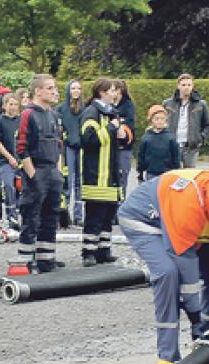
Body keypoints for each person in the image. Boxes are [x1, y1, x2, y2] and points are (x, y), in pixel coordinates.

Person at [119, 167, 209, 364]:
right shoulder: (189, 206)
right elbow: (187, 268)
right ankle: (167, 357)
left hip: (184, 222)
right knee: (168, 273)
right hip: (145, 220)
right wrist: (195, 316)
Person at [15, 74, 64, 272]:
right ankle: (26, 262)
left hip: (52, 171)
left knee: (51, 217)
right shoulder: (28, 114)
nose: (54, 92)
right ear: (38, 91)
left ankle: (47, 260)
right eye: (50, 88)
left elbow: (60, 144)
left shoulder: (53, 115)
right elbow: (21, 148)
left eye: (54, 88)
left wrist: (58, 172)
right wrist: (33, 175)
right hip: (37, 170)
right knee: (31, 217)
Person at [80, 78, 131, 267]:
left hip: (110, 175)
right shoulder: (91, 113)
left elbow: (117, 142)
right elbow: (88, 140)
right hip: (96, 175)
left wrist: (122, 136)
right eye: (111, 90)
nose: (115, 94)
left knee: (108, 215)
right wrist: (110, 129)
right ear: (101, 93)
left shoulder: (112, 113)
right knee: (94, 216)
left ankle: (103, 250)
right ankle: (88, 252)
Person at [163, 73, 209, 169]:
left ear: (193, 86)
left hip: (191, 147)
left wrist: (200, 138)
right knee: (173, 174)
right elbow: (162, 123)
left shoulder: (201, 104)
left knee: (189, 175)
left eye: (189, 85)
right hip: (173, 145)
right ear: (178, 86)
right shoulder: (167, 103)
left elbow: (207, 125)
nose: (186, 88)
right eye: (183, 85)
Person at [0, 93, 21, 228]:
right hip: (5, 161)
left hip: (21, 160)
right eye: (11, 104)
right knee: (9, 186)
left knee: (23, 188)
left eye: (15, 104)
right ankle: (11, 215)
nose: (13, 107)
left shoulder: (21, 121)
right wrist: (9, 158)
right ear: (4, 106)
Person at [57, 79, 85, 224]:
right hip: (67, 149)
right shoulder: (61, 109)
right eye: (73, 88)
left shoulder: (85, 109)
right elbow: (59, 129)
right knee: (67, 181)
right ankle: (64, 215)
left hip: (82, 149)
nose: (76, 91)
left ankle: (79, 216)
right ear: (68, 90)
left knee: (80, 182)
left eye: (78, 88)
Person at [136, 104, 180, 181]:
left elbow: (175, 156)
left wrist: (176, 170)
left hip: (167, 173)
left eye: (162, 119)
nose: (160, 121)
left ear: (165, 120)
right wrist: (140, 171)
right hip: (151, 173)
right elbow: (141, 156)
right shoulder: (146, 138)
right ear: (151, 120)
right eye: (157, 119)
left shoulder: (171, 138)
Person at [112, 79, 136, 193]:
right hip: (111, 147)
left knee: (123, 178)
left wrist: (120, 124)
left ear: (120, 91)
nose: (113, 93)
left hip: (124, 148)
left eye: (115, 90)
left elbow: (129, 124)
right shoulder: (108, 105)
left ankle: (121, 204)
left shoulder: (128, 105)